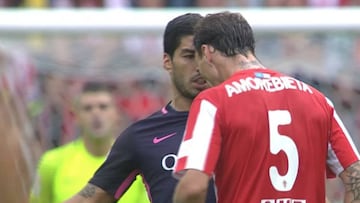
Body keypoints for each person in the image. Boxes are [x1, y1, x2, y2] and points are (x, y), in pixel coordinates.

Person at [173, 11, 360, 203]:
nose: (199, 71)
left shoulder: (214, 101)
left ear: (206, 52)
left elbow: (193, 188)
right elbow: (356, 176)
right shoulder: (318, 99)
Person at [63, 13, 216, 203]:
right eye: (189, 56)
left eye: (205, 56)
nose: (199, 66)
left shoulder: (243, 118)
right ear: (167, 61)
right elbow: (91, 197)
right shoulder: (142, 136)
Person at [30, 81, 148, 203]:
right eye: (88, 108)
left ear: (117, 114)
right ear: (76, 116)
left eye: (103, 107)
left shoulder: (135, 163)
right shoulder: (52, 161)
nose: (96, 113)